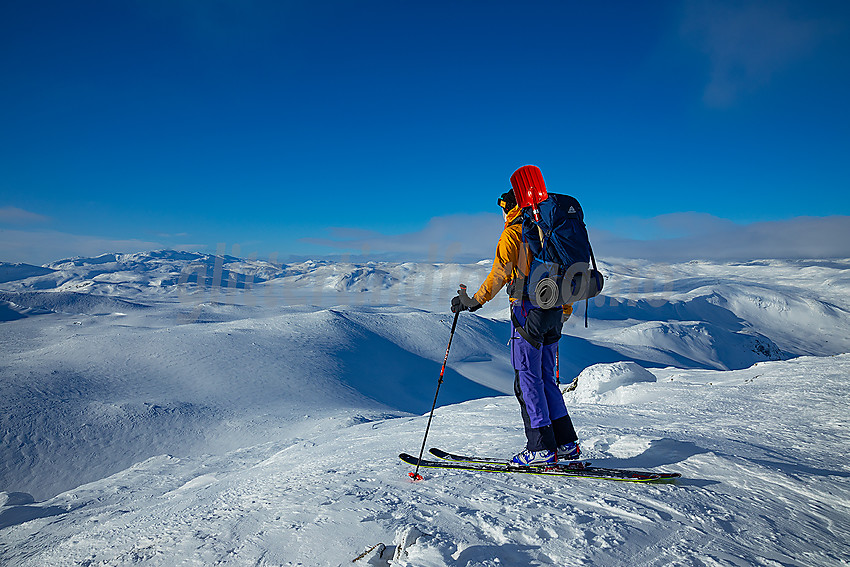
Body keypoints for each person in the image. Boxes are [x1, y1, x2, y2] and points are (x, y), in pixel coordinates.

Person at [451, 180, 581, 466]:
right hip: (555, 310)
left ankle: (540, 448)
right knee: (547, 377)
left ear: (509, 207)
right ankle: (566, 444)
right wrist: (565, 308)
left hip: (527, 311)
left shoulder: (514, 233)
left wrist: (474, 301)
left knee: (527, 378)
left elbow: (500, 273)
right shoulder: (546, 230)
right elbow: (564, 270)